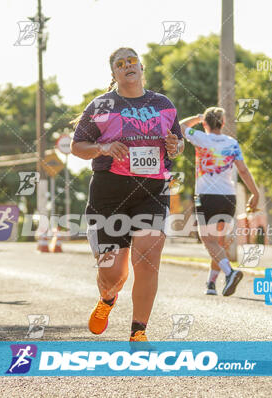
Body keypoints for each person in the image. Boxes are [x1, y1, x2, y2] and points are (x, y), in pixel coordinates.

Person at [71, 47, 184, 342]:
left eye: (132, 61)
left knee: (147, 259)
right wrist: (103, 148)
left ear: (141, 66)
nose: (127, 66)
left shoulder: (163, 104)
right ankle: (107, 299)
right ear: (114, 74)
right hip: (110, 193)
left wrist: (175, 146)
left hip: (152, 190)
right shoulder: (101, 105)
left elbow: (178, 142)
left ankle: (139, 331)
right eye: (120, 64)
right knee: (113, 275)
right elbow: (77, 146)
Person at [180, 108, 260, 296]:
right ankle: (211, 284)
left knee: (208, 241)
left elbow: (179, 126)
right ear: (223, 123)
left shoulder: (200, 137)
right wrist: (255, 193)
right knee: (218, 243)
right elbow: (243, 171)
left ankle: (230, 272)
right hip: (228, 197)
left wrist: (197, 118)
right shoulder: (232, 143)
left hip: (206, 196)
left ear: (206, 123)